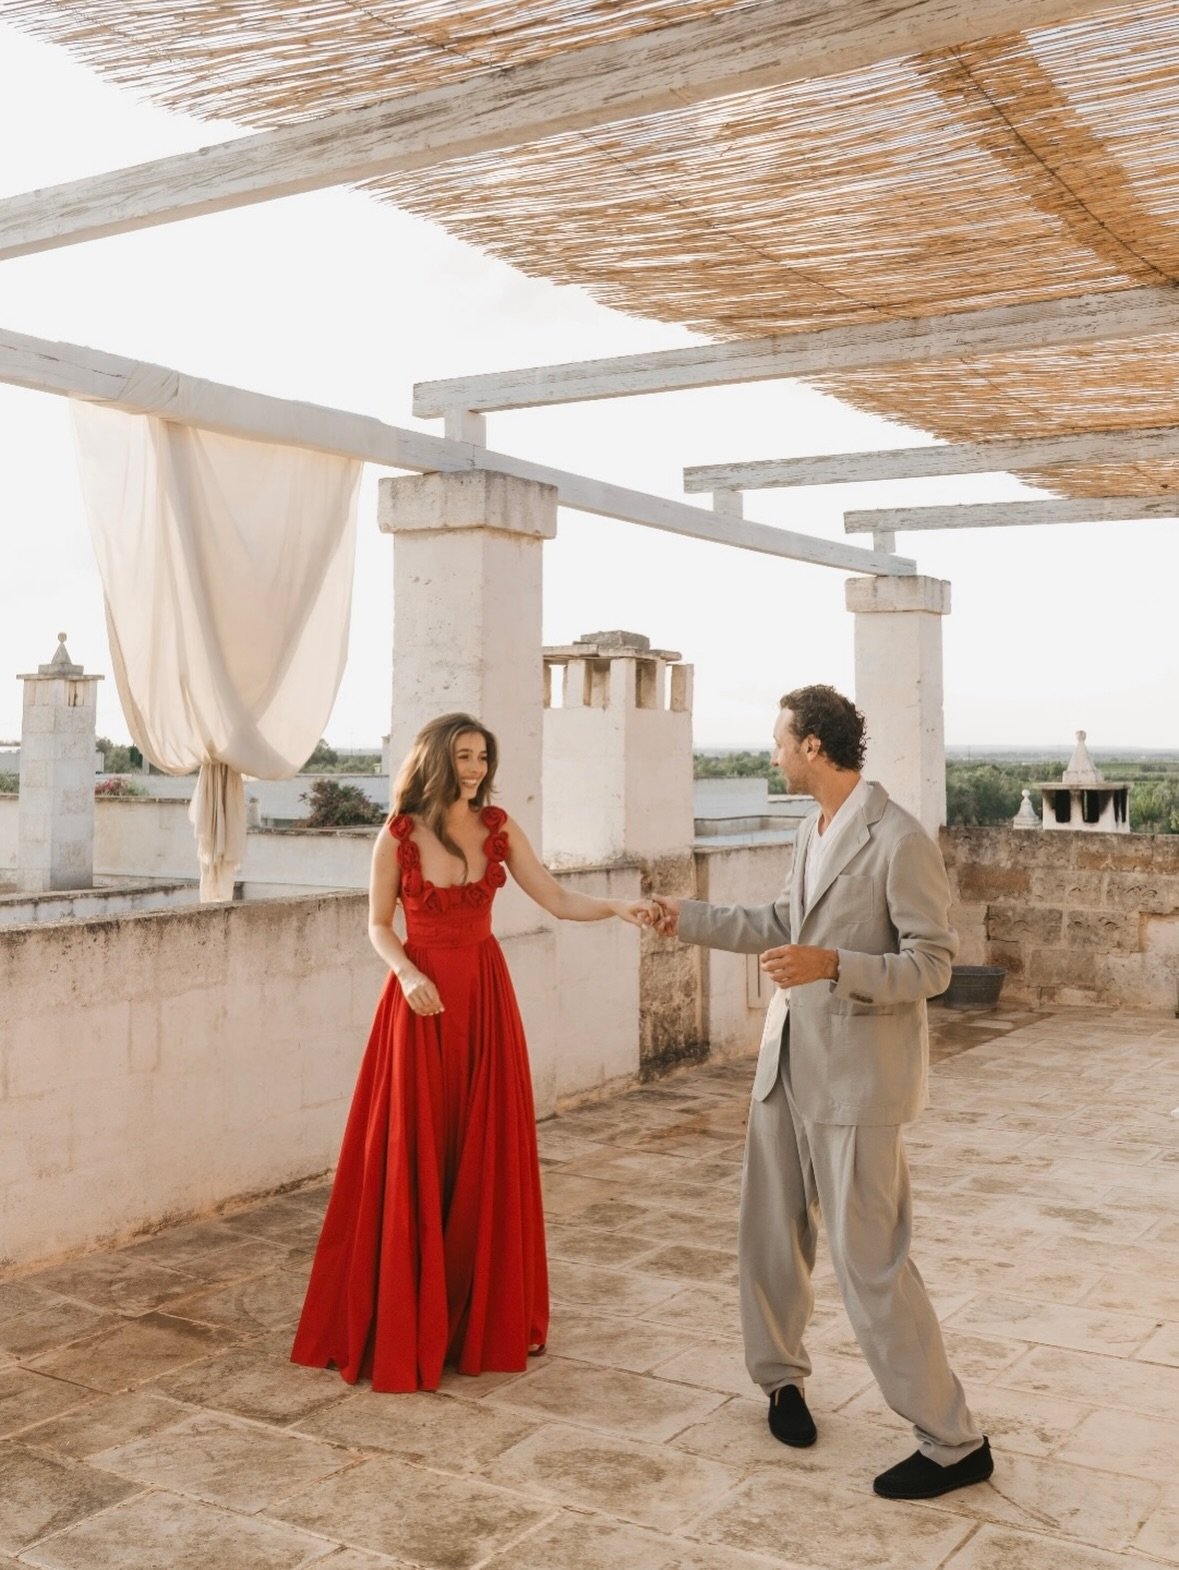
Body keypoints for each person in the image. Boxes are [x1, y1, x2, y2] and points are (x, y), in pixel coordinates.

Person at [651, 685, 993, 1501]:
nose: (770, 754)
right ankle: (781, 1382)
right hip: (785, 1065)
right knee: (769, 1241)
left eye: (778, 742)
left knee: (870, 1263)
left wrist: (834, 964)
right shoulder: (809, 828)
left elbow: (934, 965)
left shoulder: (898, 838)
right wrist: (682, 917)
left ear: (812, 748)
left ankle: (953, 1440)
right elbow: (780, 919)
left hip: (857, 1082)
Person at [291, 711, 654, 1392]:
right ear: (435, 758)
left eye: (482, 757)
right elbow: (375, 925)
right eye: (462, 755)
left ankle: (474, 1321)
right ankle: (410, 1319)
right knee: (415, 1152)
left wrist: (618, 909)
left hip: (483, 998)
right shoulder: (397, 834)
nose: (475, 769)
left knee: (481, 1153)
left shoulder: (498, 827)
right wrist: (406, 973)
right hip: (420, 1000)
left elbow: (552, 896)